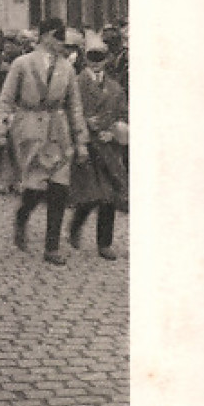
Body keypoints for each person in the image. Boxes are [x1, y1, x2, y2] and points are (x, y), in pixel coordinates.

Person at [0, 18, 88, 264]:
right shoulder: (21, 64)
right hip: (29, 130)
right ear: (45, 37)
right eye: (57, 37)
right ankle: (22, 217)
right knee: (34, 188)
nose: (61, 43)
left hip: (58, 131)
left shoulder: (67, 68)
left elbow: (75, 106)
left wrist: (81, 140)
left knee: (59, 188)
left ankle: (52, 247)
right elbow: (5, 99)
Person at [68, 32, 128, 260]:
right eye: (91, 58)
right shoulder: (76, 84)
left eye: (100, 58)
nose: (96, 63)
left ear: (107, 60)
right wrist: (85, 123)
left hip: (108, 148)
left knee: (109, 195)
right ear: (85, 59)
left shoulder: (115, 88)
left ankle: (105, 243)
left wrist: (112, 132)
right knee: (91, 194)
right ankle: (75, 226)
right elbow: (67, 112)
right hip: (86, 146)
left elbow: (124, 113)